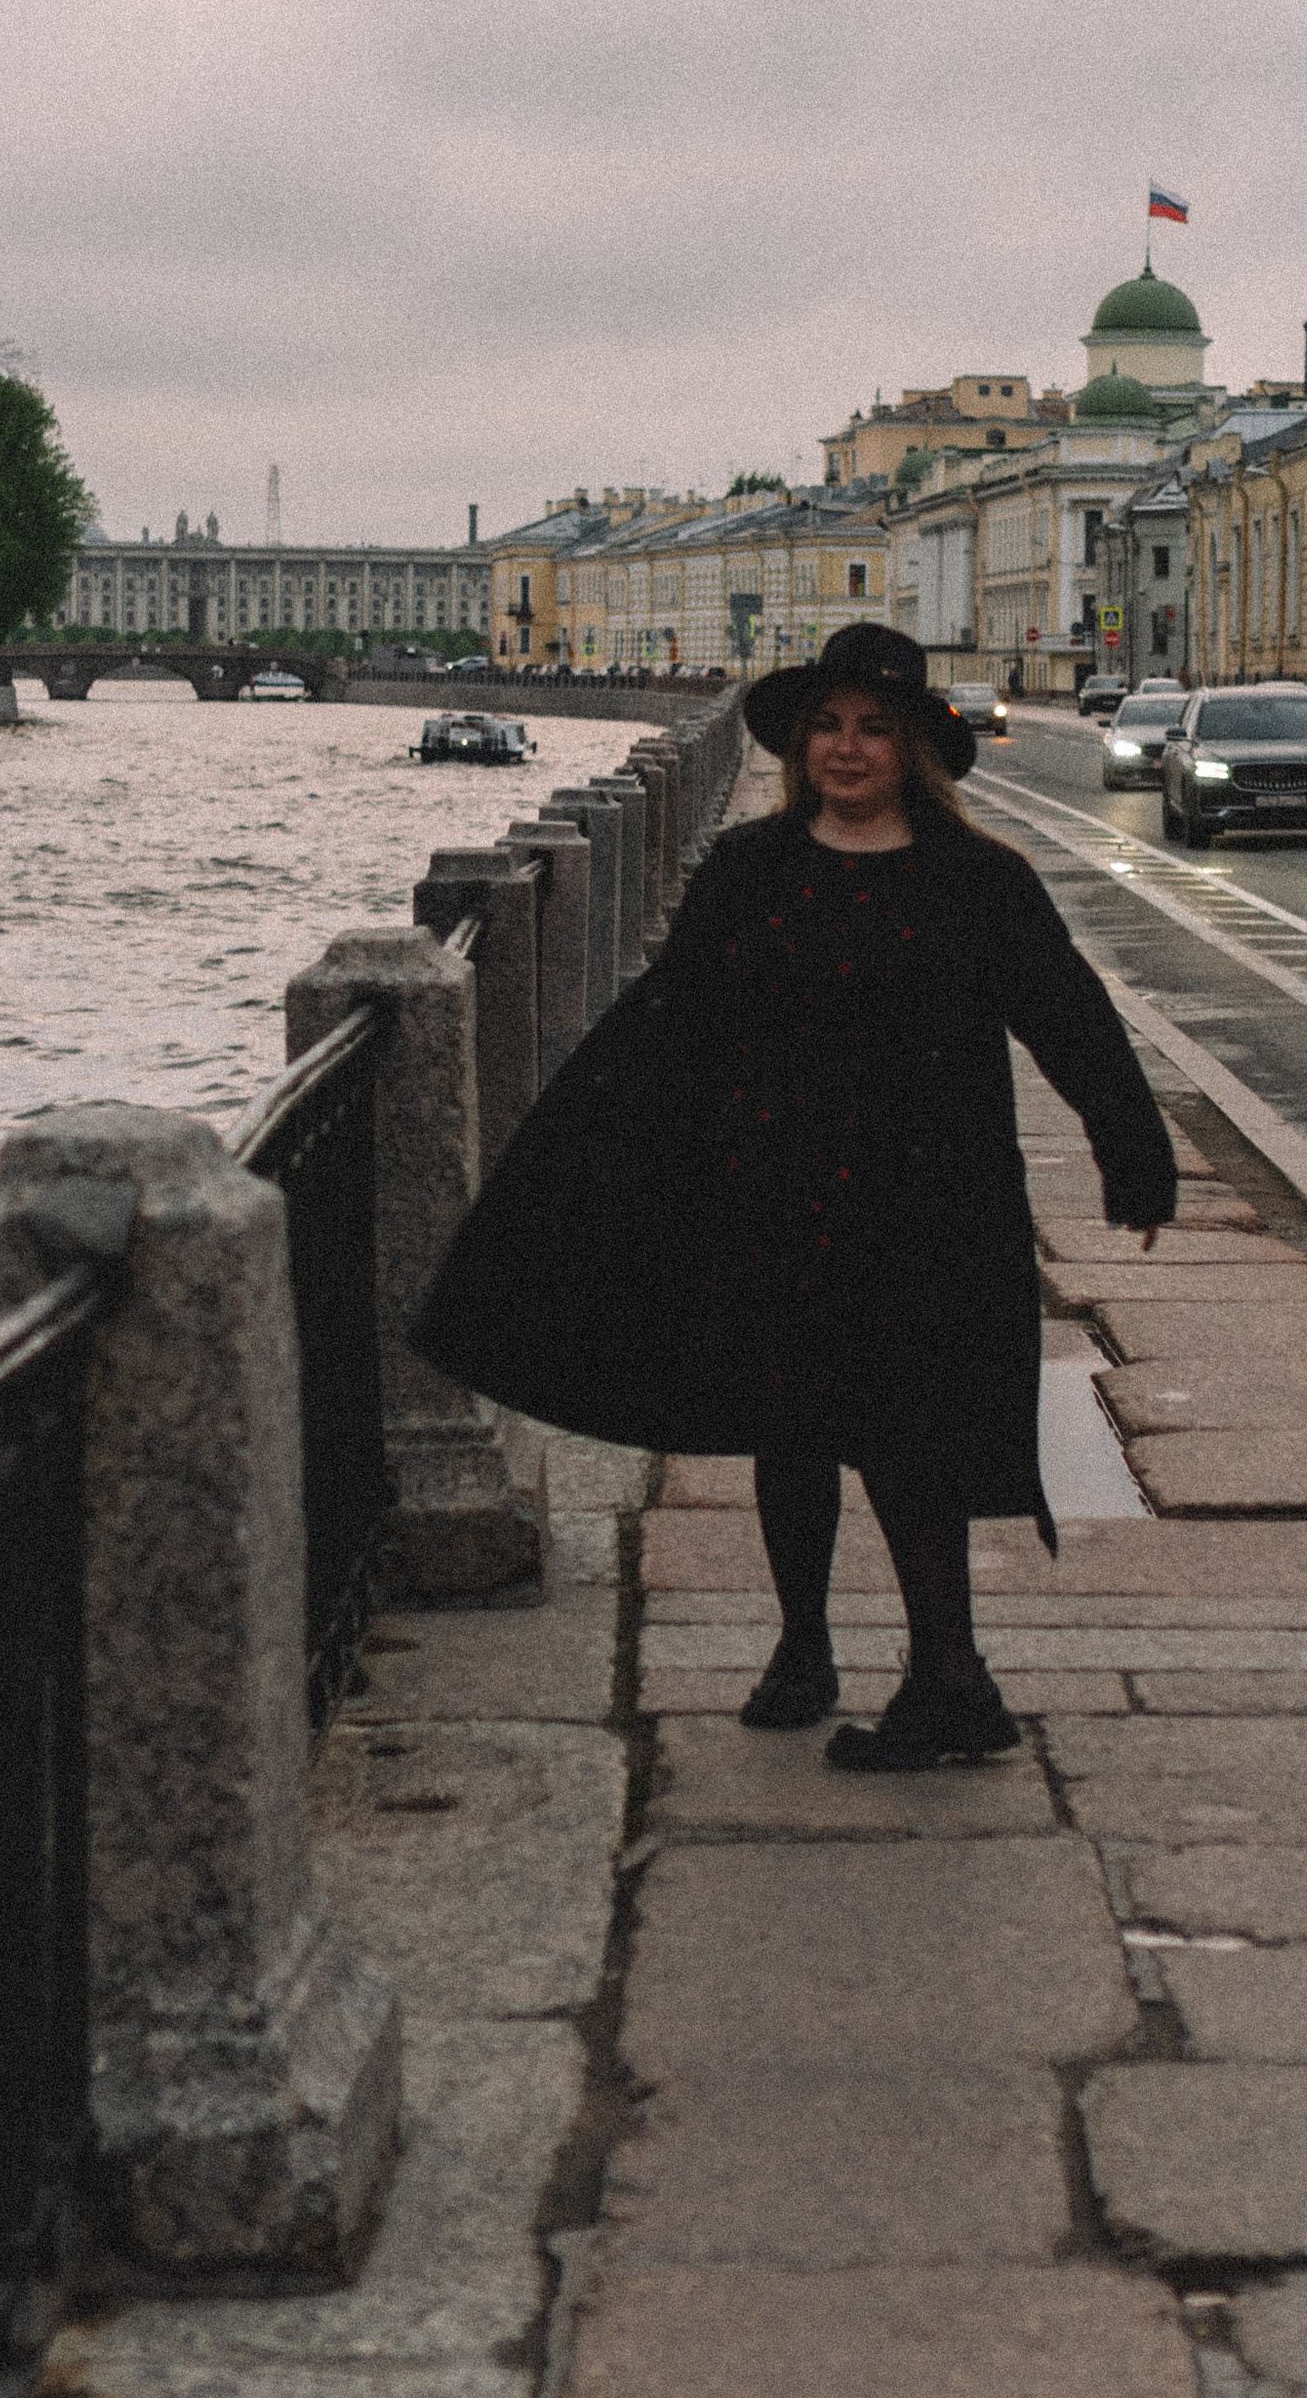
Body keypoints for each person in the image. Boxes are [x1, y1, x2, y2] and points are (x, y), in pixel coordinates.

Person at [413, 622, 1176, 1769]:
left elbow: (1069, 1019)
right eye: (827, 726)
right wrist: (573, 1158)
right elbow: (668, 1024)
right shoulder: (749, 871)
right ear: (799, 745)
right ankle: (802, 1647)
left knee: (912, 1438)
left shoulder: (978, 881)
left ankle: (949, 1677)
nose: (848, 748)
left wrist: (1133, 1152)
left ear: (913, 746)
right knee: (792, 1425)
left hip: (930, 1209)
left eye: (874, 728)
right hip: (774, 1195)